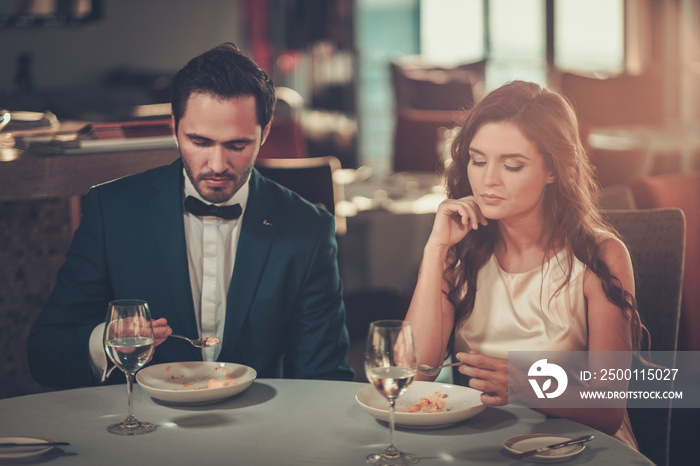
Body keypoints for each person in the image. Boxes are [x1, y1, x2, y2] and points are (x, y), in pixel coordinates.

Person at [28, 43, 354, 387]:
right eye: (199, 141)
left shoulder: (309, 229)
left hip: (258, 432)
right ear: (174, 126)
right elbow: (45, 353)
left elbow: (325, 378)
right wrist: (105, 342)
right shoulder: (112, 210)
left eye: (237, 145)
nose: (217, 165)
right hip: (141, 431)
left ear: (265, 132)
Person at [404, 81, 644, 448]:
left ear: (553, 170)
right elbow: (413, 376)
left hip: (582, 446)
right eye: (477, 160)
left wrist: (525, 387)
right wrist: (434, 249)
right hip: (486, 442)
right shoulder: (460, 252)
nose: (488, 180)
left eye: (512, 165)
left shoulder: (600, 257)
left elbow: (609, 411)